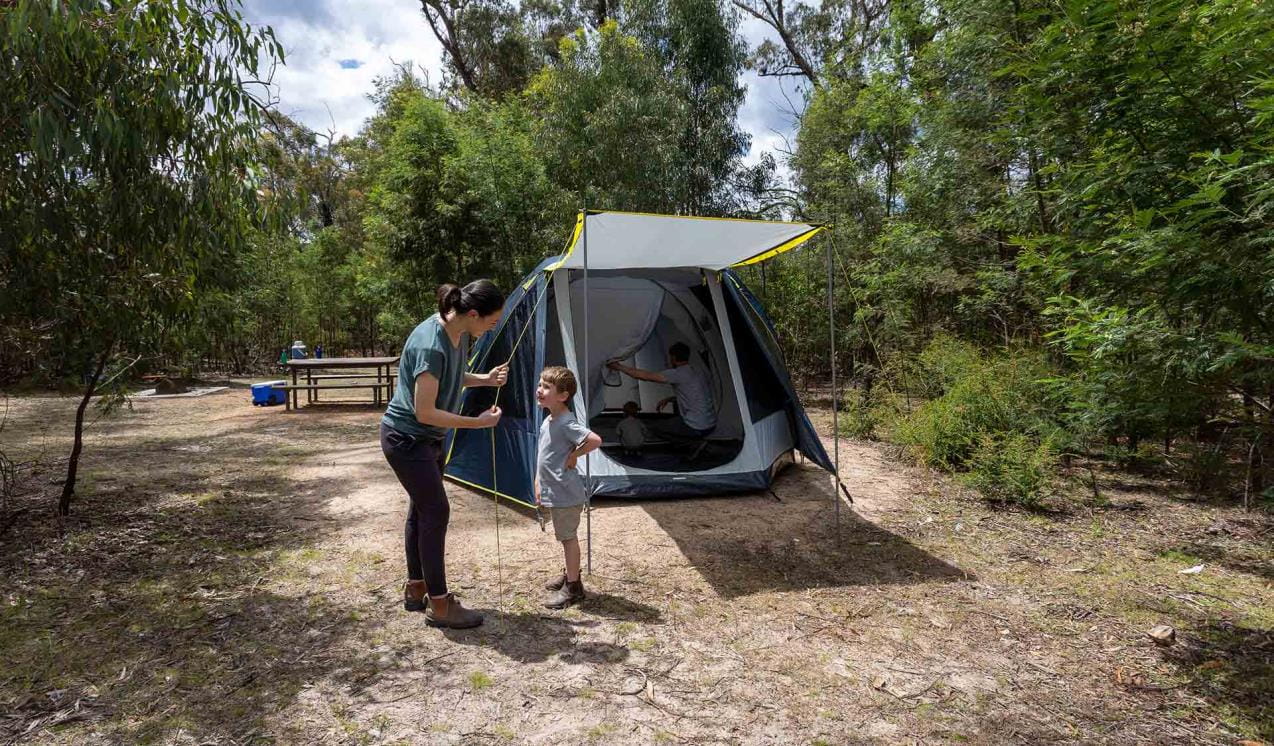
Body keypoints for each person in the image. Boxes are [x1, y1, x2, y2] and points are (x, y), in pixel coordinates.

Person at [381, 280, 509, 629]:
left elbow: (450, 378)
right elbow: (425, 412)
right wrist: (477, 423)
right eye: (491, 320)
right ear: (472, 313)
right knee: (435, 510)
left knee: (422, 510)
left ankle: (416, 587)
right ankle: (439, 605)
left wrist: (483, 379)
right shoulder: (430, 345)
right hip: (408, 438)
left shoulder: (459, 332)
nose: (493, 326)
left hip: (427, 440)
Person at [534, 366, 602, 609]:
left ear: (563, 396)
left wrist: (575, 454)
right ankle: (570, 575)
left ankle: (573, 587)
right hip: (554, 490)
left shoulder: (565, 422)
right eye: (540, 385)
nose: (539, 390)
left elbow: (594, 440)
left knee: (568, 538)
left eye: (546, 387)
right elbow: (544, 456)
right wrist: (538, 483)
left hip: (566, 493)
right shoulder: (548, 420)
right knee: (564, 537)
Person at [607, 342, 715, 455]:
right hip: (711, 424)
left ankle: (691, 443)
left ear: (673, 357)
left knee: (655, 428)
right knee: (672, 422)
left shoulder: (678, 373)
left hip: (696, 426)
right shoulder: (698, 371)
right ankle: (691, 442)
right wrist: (669, 399)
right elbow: (694, 394)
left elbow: (644, 376)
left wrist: (618, 367)